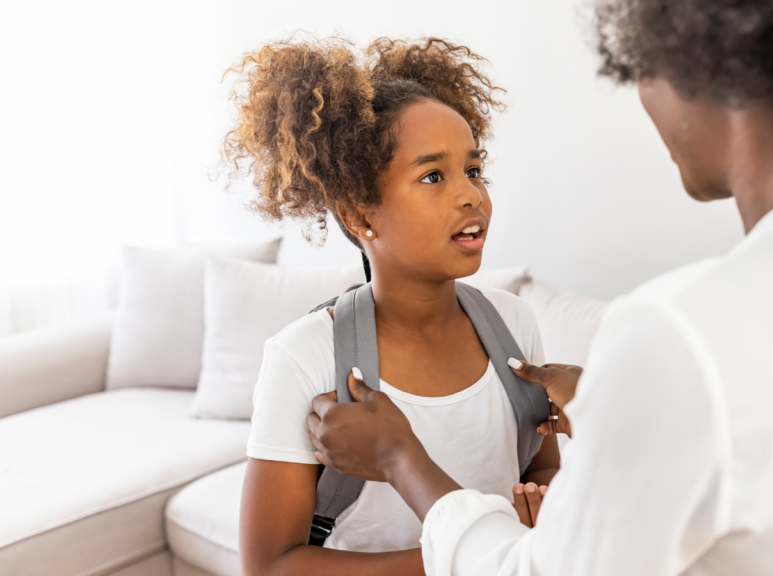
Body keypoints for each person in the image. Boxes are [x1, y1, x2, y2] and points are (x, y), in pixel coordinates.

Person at [305, 1, 773, 575]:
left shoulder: (684, 330)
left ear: (709, 60)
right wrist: (620, 411)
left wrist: (402, 458)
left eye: (644, 65)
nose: (645, 96)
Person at [224, 37, 560, 576]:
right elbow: (270, 566)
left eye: (474, 170)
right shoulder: (306, 357)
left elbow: (541, 467)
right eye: (433, 176)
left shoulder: (514, 325)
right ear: (360, 216)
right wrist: (467, 558)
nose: (471, 195)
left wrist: (542, 509)